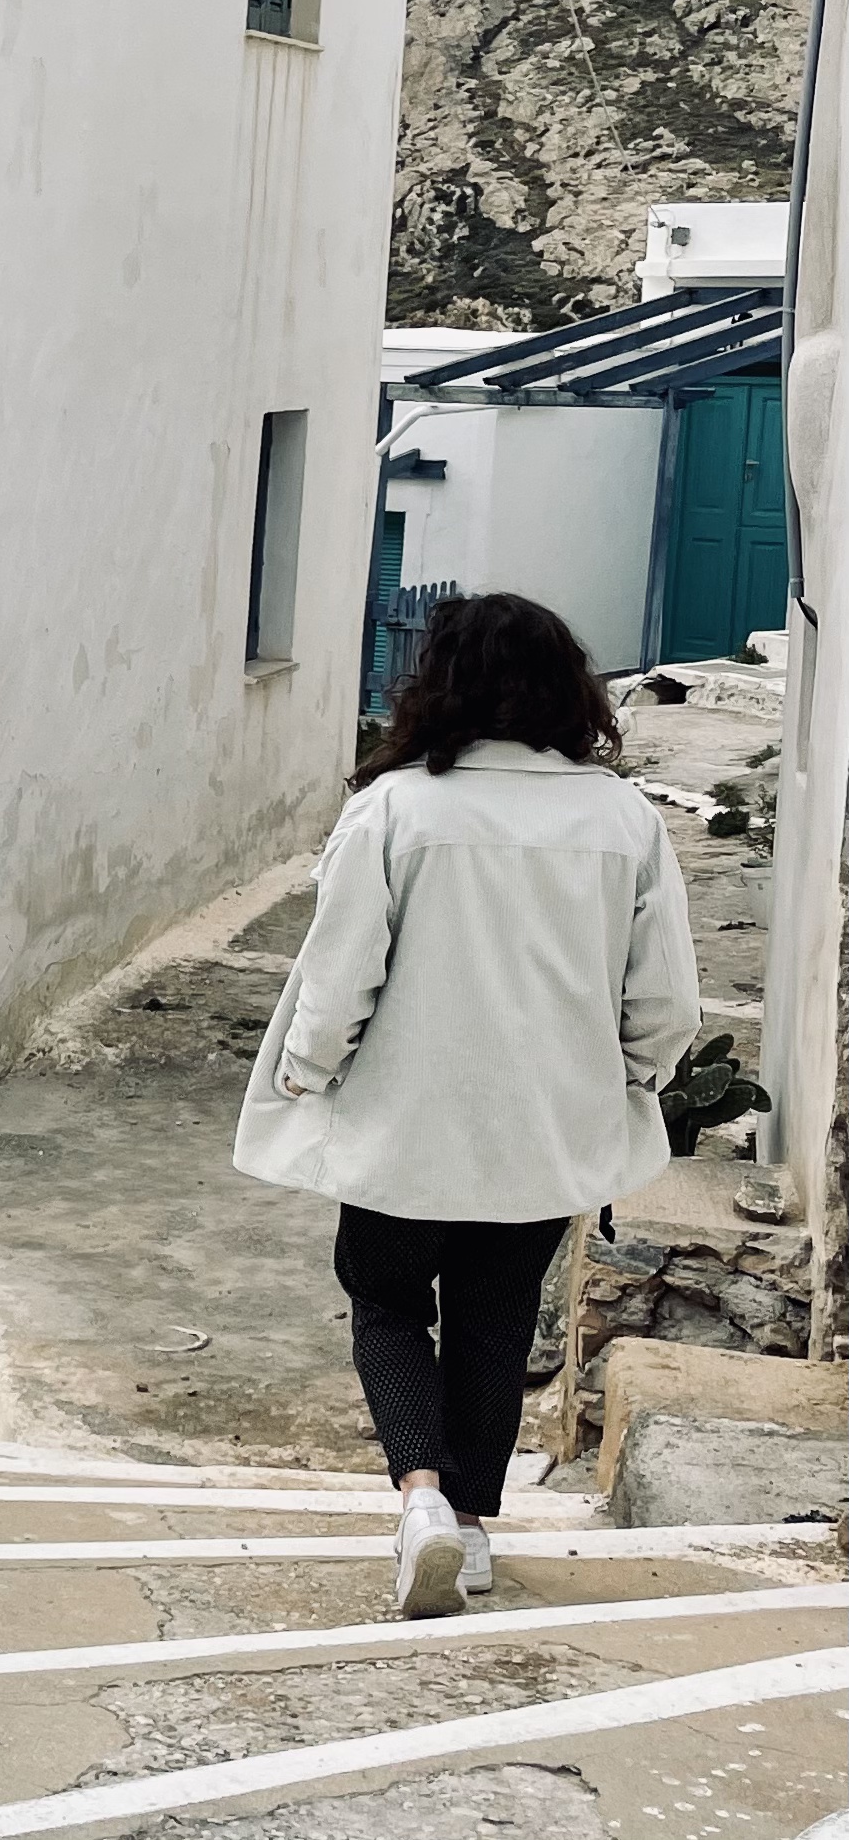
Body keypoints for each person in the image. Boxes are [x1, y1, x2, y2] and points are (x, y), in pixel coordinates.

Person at [234, 589, 699, 1619]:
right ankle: (475, 1529)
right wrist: (634, 1077)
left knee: (386, 1301)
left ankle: (421, 1497)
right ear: (565, 690)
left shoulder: (395, 809)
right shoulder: (621, 819)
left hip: (404, 1121)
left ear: (434, 684)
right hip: (541, 1124)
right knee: (493, 1321)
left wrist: (307, 1070)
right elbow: (663, 996)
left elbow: (338, 971)